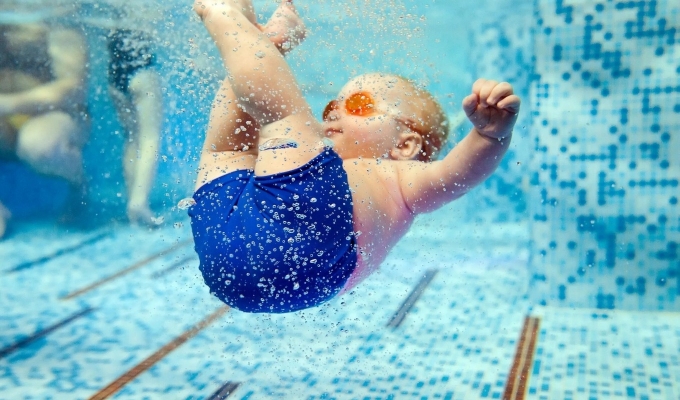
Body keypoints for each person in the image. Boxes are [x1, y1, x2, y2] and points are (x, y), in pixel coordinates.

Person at [187, 0, 520, 313]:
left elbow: (456, 175)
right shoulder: (327, 169)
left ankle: (229, 17)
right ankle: (265, 41)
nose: (333, 114)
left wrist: (489, 136)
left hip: (308, 255)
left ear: (405, 145)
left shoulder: (402, 178)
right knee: (233, 148)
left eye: (358, 105)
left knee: (282, 116)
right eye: (332, 106)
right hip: (228, 265)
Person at [0, 21, 89, 239]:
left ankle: (79, 186)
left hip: (55, 115)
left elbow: (73, 88)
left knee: (42, 146)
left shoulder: (57, 15)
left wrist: (7, 104)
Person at [106, 21, 163, 226]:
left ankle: (133, 199)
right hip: (142, 72)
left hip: (114, 75)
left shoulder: (115, 13)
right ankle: (139, 203)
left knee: (131, 137)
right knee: (150, 136)